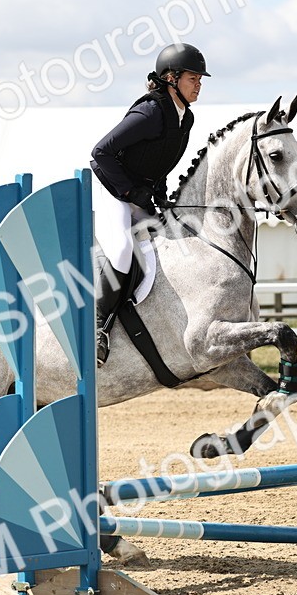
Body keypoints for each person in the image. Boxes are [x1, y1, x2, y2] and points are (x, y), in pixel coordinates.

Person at [88, 42, 209, 366]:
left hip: (137, 193)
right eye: (193, 78)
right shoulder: (151, 110)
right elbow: (101, 153)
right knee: (123, 250)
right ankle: (96, 328)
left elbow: (159, 163)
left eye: (200, 79)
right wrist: (129, 192)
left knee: (169, 241)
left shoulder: (185, 118)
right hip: (110, 189)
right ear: (171, 78)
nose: (199, 85)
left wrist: (159, 195)